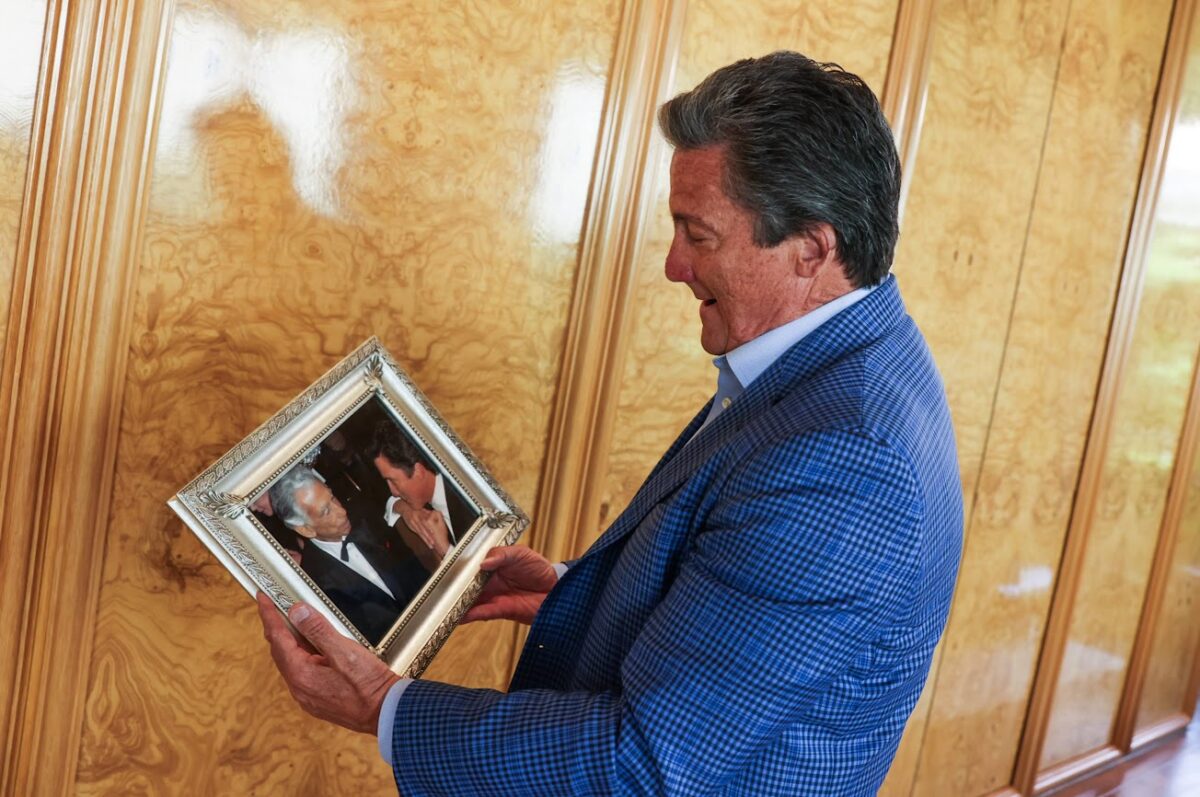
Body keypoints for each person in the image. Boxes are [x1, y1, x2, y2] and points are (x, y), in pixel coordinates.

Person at [258, 51, 963, 795]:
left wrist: (386, 707)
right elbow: (753, 614)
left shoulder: (843, 455)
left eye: (699, 235)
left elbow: (642, 761)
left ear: (812, 250)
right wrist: (571, 590)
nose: (672, 265)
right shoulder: (853, 354)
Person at [268, 466, 430, 645]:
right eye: (326, 511)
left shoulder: (364, 515)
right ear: (305, 529)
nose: (342, 511)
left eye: (332, 497)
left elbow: (411, 564)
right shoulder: (314, 584)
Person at [368, 420, 478, 562]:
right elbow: (387, 501)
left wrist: (446, 551)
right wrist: (404, 508)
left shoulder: (471, 502)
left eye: (393, 481)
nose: (393, 492)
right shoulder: (429, 493)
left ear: (419, 471)